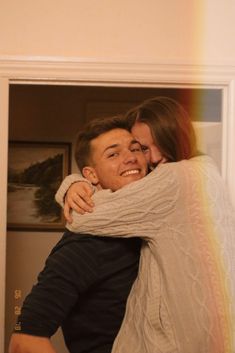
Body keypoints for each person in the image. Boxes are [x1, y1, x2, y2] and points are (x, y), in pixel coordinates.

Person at [55, 96, 235, 353]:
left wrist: (71, 184)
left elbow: (83, 216)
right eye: (142, 147)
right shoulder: (206, 171)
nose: (155, 157)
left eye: (161, 142)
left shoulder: (175, 176)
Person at [8, 115, 148, 353]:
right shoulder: (85, 243)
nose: (131, 157)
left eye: (136, 148)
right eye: (113, 154)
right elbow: (24, 339)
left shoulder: (151, 225)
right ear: (91, 176)